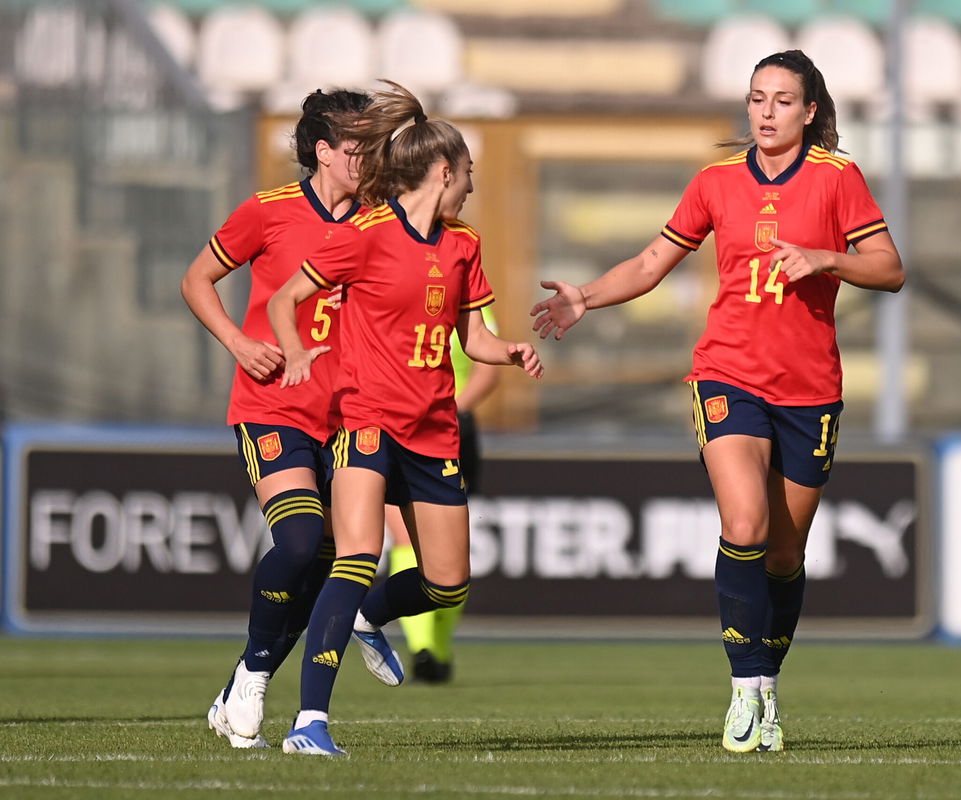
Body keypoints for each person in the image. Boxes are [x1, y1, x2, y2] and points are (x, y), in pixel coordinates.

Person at [531, 50, 904, 753]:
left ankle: (766, 685)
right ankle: (744, 690)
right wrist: (586, 295)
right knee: (745, 519)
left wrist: (828, 259)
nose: (765, 112)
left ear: (810, 110)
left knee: (785, 556)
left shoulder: (837, 180)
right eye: (756, 98)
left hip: (810, 388)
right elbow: (650, 263)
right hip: (727, 374)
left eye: (782, 100)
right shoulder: (715, 181)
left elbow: (890, 268)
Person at [267, 80, 544, 756]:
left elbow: (472, 338)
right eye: (469, 174)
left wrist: (506, 351)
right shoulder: (364, 235)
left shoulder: (464, 246)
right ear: (444, 170)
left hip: (435, 432)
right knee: (355, 556)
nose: (472, 187)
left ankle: (370, 615)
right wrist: (299, 350)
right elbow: (285, 298)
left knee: (448, 583)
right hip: (365, 422)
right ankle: (310, 723)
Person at [181, 88, 401, 749]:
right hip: (273, 405)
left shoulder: (380, 220)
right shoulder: (268, 212)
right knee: (301, 541)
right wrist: (239, 342)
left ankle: (248, 679)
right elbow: (197, 279)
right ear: (325, 151)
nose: (370, 159)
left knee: (336, 565)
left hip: (350, 417)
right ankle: (252, 669)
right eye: (359, 148)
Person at [387, 304, 500, 683]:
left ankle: (438, 646)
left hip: (451, 430)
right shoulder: (391, 293)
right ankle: (421, 647)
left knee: (450, 550)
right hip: (396, 428)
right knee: (405, 537)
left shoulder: (468, 300)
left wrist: (449, 411)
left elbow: (487, 371)